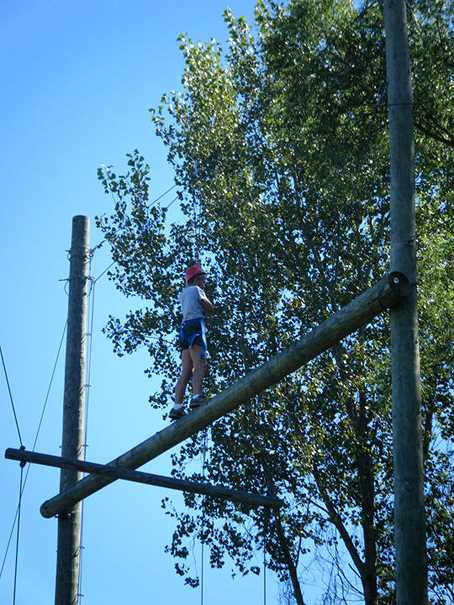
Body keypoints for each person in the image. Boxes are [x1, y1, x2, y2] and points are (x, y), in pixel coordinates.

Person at [169, 263, 214, 420]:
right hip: (195, 325)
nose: (204, 282)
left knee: (186, 371)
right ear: (196, 279)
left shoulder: (183, 293)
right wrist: (210, 307)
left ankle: (177, 406)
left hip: (184, 329)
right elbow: (206, 304)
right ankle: (196, 396)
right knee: (199, 364)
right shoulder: (197, 289)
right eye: (202, 279)